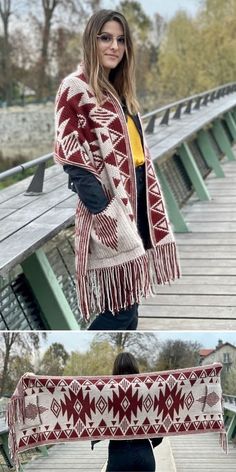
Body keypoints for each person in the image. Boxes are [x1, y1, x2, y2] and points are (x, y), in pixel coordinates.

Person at [54, 9, 180, 330]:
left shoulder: (119, 90)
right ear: (91, 41)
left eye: (121, 40)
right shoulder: (74, 90)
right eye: (106, 38)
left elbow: (136, 153)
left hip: (139, 197)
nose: (114, 46)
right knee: (122, 309)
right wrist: (106, 215)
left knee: (130, 304)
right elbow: (74, 162)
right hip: (112, 207)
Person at [92, 352, 163, 472]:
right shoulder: (147, 392)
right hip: (144, 457)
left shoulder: (106, 394)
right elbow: (158, 435)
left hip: (119, 459)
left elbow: (97, 428)